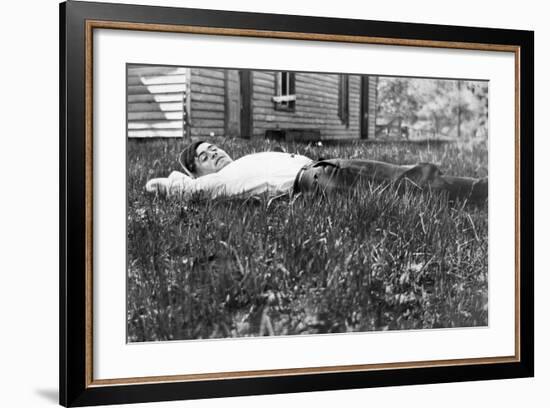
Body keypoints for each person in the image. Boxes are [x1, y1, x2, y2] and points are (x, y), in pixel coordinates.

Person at [145, 140, 488, 202]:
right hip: (317, 178)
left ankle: (477, 191)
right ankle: (481, 190)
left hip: (325, 170)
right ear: (196, 173)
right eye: (204, 156)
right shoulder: (216, 183)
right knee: (407, 181)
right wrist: (175, 180)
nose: (214, 152)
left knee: (406, 180)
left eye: (213, 147)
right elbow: (165, 186)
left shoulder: (239, 164)